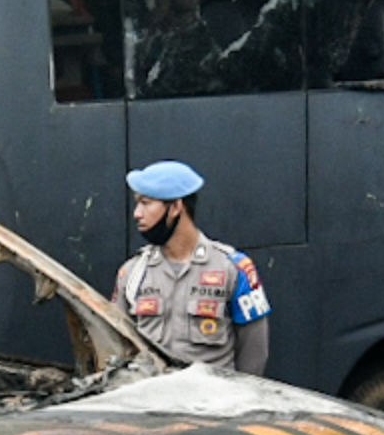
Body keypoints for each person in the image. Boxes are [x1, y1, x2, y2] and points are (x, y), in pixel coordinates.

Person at [111, 160, 270, 376]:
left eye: (146, 203)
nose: (137, 213)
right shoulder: (132, 273)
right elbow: (117, 347)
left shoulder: (233, 269)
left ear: (176, 207)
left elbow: (253, 354)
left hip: (210, 406)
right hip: (150, 404)